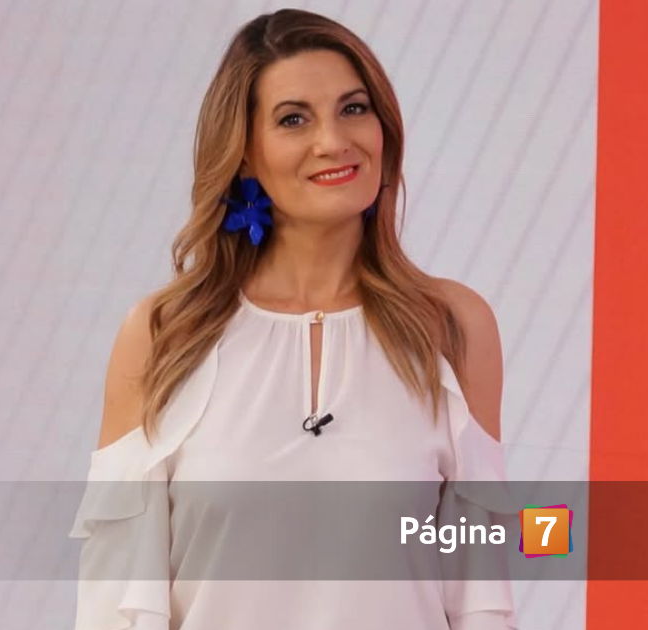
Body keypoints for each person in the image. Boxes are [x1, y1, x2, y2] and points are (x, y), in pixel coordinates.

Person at [68, 8, 518, 630]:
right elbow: (114, 596)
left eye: (354, 108)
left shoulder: (451, 326)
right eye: (293, 119)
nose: (333, 141)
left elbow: (481, 586)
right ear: (244, 153)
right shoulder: (163, 333)